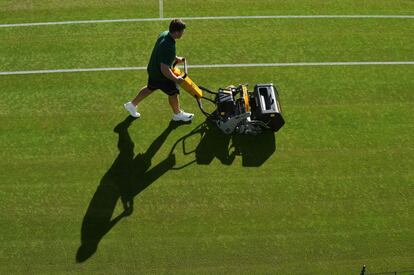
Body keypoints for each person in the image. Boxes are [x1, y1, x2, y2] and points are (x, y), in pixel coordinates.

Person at [124, 19, 194, 122]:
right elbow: (164, 69)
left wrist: (175, 58)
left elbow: (162, 53)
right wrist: (176, 79)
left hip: (153, 69)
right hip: (160, 75)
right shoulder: (168, 46)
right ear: (176, 32)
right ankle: (177, 114)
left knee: (150, 87)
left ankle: (132, 105)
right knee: (173, 92)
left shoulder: (165, 34)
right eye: (182, 31)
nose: (183, 33)